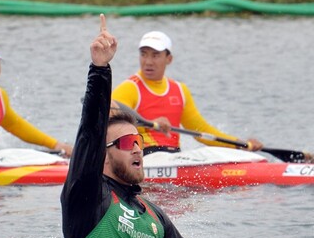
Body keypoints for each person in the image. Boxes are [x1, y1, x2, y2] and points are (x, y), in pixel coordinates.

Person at [61, 16, 287, 238]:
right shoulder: (87, 195)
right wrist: (100, 68)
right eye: (127, 143)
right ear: (101, 155)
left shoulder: (152, 215)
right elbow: (91, 129)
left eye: (139, 141)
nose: (137, 149)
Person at [109, 30, 262, 155]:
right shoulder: (130, 88)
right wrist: (150, 124)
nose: (148, 61)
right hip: (142, 155)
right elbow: (110, 121)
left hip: (174, 157)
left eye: (155, 55)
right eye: (144, 54)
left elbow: (201, 132)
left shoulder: (180, 90)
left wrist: (240, 144)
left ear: (169, 59)